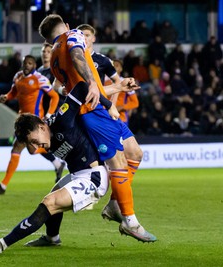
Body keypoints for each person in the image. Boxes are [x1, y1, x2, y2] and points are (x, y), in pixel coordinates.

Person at [38, 15, 156, 242]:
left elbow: (86, 87)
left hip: (98, 106)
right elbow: (84, 73)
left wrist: (118, 87)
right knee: (118, 163)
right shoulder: (73, 36)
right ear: (67, 26)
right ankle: (130, 222)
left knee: (135, 153)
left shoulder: (53, 59)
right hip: (92, 112)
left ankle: (114, 205)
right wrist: (96, 87)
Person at [0, 81, 111, 255]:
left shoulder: (62, 120)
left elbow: (81, 86)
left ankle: (1, 244)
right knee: (52, 196)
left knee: (49, 203)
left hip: (94, 177)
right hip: (77, 174)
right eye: (31, 144)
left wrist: (109, 105)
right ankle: (52, 238)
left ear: (42, 127)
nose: (35, 148)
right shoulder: (44, 134)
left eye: (34, 141)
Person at [0, 55, 65, 195]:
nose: (27, 65)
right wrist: (7, 97)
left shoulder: (40, 79)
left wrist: (48, 115)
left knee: (20, 148)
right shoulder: (17, 76)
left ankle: (3, 186)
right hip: (22, 120)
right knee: (27, 149)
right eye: (25, 63)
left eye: (29, 63)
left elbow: (55, 96)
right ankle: (57, 163)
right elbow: (14, 92)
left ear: (34, 65)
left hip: (35, 120)